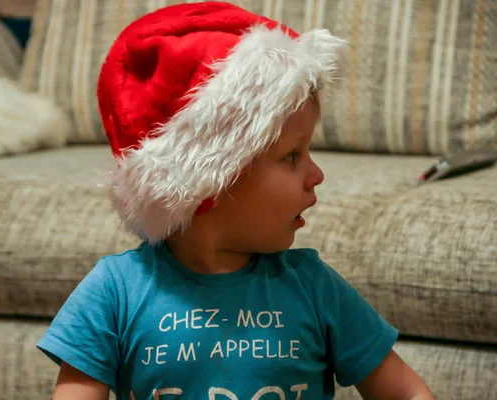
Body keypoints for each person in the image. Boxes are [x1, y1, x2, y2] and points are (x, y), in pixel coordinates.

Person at [37, 2, 435, 399]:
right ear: (211, 180)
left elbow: (408, 393)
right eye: (292, 156)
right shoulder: (114, 292)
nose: (316, 175)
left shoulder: (314, 287)